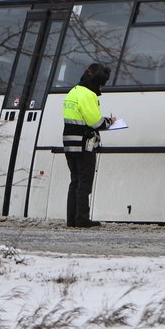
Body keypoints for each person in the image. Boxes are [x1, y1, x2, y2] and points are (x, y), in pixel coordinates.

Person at [63, 63, 114, 228]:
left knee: (75, 182)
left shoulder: (74, 91)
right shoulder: (88, 95)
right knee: (85, 183)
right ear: (95, 83)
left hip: (69, 142)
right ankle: (82, 219)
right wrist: (110, 122)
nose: (102, 89)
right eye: (101, 85)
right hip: (84, 144)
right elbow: (95, 122)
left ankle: (72, 219)